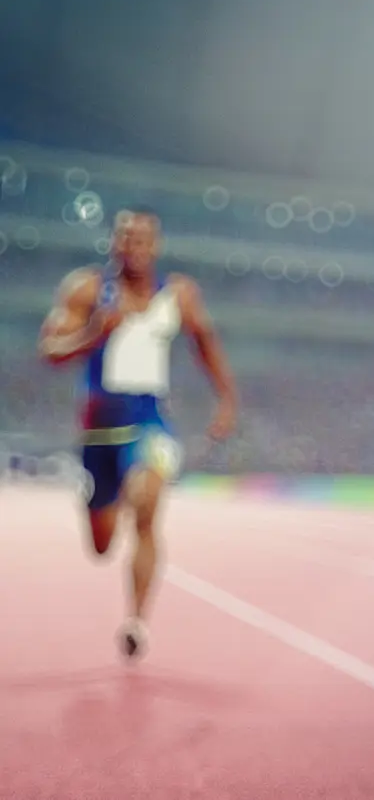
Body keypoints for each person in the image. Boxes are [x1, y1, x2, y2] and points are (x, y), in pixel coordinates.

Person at [38, 210, 238, 661]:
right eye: (127, 239)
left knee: (148, 505)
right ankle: (100, 499)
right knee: (102, 544)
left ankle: (136, 622)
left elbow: (206, 342)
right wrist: (93, 334)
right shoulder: (87, 288)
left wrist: (226, 399)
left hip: (149, 420)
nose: (135, 248)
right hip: (100, 428)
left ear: (156, 246)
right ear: (114, 244)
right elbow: (49, 349)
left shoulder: (179, 294)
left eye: (144, 240)